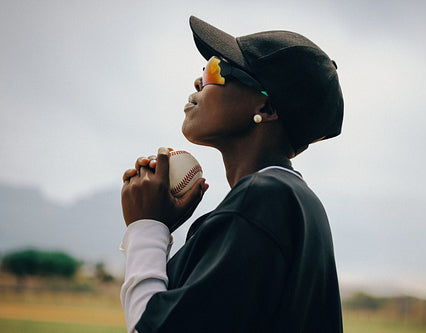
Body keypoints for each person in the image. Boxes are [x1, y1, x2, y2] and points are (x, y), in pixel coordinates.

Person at [120, 15, 344, 333]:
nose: (199, 82)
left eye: (215, 71)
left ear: (266, 109)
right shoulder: (295, 201)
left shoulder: (263, 198)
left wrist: (146, 229)